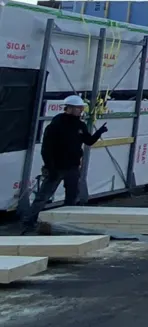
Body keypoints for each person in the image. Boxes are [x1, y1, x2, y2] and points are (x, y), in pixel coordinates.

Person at [21, 95, 107, 233]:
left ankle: (67, 222)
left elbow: (88, 141)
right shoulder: (56, 125)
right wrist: (50, 167)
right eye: (78, 108)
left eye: (81, 108)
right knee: (43, 196)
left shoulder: (80, 125)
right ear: (69, 108)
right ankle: (29, 221)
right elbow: (46, 149)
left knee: (72, 196)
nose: (81, 110)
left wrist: (99, 132)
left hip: (72, 167)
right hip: (56, 167)